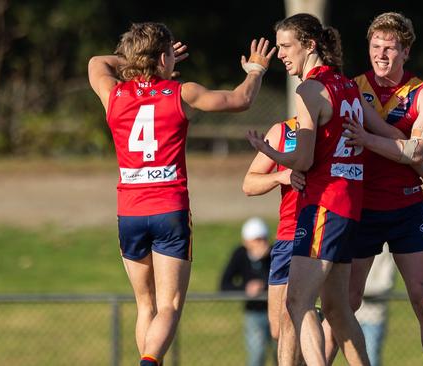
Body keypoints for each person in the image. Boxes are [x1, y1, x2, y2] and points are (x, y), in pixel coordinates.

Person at [88, 22, 275, 366]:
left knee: (145, 304)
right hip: (169, 211)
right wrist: (256, 70)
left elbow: (96, 63)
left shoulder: (114, 94)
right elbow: (241, 99)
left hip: (129, 212)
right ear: (164, 57)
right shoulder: (181, 92)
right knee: (169, 305)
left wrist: (133, 61)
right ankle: (149, 362)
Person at [247, 13, 379, 366]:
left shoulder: (310, 89)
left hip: (324, 203)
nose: (282, 55)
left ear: (310, 44)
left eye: (287, 47)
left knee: (296, 302)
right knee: (337, 310)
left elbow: (304, 161)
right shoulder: (349, 86)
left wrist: (270, 153)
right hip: (350, 204)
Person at [338, 12, 423, 365]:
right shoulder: (352, 88)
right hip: (361, 208)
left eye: (390, 48)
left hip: (406, 209)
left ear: (406, 52)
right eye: (375, 47)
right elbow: (400, 143)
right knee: (346, 302)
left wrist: (368, 139)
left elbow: (416, 148)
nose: (381, 55)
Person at [242, 116, 304, 366]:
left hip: (323, 233)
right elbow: (249, 183)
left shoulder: (338, 123)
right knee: (278, 328)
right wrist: (281, 177)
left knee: (298, 316)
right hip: (287, 235)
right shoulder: (283, 132)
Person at [220, 217, 274, 366]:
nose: (260, 243)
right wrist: (246, 289)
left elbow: (280, 280)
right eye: (256, 240)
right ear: (246, 241)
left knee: (282, 353)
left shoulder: (274, 253)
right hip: (254, 313)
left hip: (277, 311)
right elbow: (224, 285)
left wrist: (260, 261)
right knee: (257, 354)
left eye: (263, 239)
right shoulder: (240, 254)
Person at [354, 248, 396, 366]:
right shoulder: (352, 239)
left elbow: (386, 284)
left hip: (373, 317)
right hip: (349, 315)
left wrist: (356, 290)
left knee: (371, 359)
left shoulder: (387, 250)